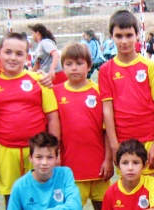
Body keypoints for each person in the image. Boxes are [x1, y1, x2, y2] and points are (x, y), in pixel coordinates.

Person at [0, 32, 61, 206]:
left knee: (41, 197)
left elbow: (52, 118)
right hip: (6, 151)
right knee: (11, 197)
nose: (13, 58)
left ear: (27, 57)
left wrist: (55, 151)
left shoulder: (39, 80)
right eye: (8, 52)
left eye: (19, 53)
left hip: (38, 151)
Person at [100, 10, 154, 178]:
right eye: (119, 36)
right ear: (111, 36)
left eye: (129, 35)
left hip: (148, 139)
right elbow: (107, 110)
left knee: (150, 194)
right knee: (129, 195)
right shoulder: (106, 70)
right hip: (123, 142)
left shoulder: (149, 66)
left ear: (137, 35)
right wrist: (115, 146)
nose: (124, 41)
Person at [55, 42, 113, 210]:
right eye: (69, 64)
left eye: (79, 63)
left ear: (89, 65)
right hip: (70, 168)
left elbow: (107, 131)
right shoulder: (55, 93)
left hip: (99, 168)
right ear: (63, 66)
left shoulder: (99, 91)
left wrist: (108, 160)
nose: (74, 68)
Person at [8, 132, 82, 210]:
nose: (44, 163)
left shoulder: (65, 174)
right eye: (39, 157)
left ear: (56, 158)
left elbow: (75, 206)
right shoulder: (19, 186)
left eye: (50, 157)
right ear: (30, 158)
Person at [102, 139, 154, 210]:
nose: (130, 168)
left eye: (136, 163)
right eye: (125, 163)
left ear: (144, 165)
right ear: (118, 166)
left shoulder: (151, 183)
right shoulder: (111, 193)